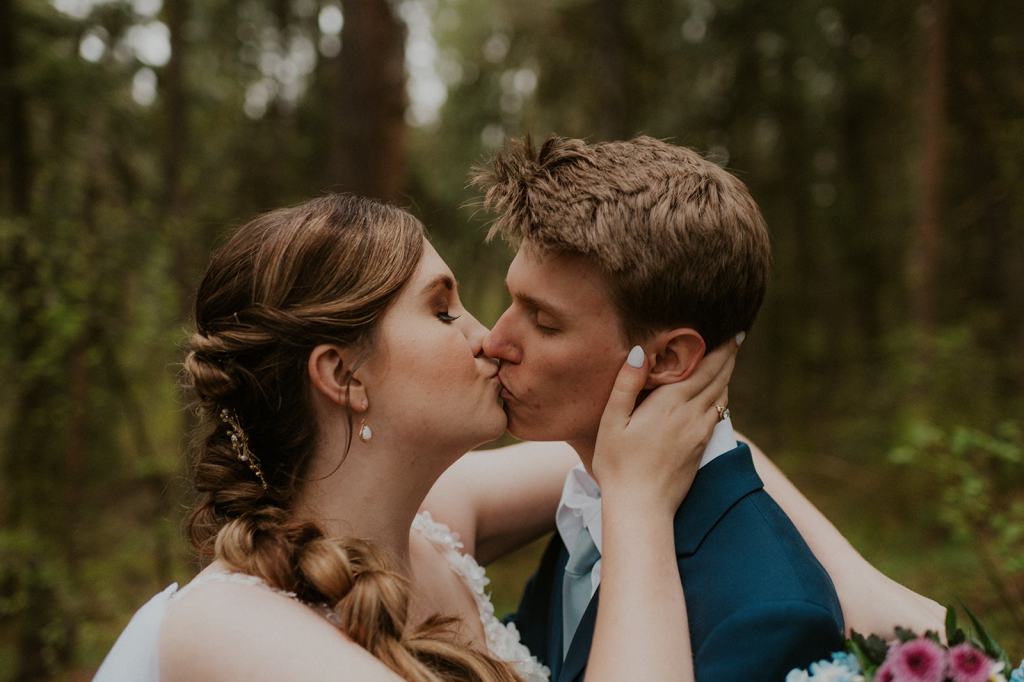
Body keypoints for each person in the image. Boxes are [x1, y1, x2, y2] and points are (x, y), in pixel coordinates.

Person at [93, 192, 731, 681]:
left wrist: (838, 636)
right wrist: (639, 509)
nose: (488, 338)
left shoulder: (437, 520)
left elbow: (674, 443)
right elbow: (644, 472)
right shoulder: (227, 628)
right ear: (344, 374)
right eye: (443, 310)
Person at [460, 135, 945, 681]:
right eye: (511, 300)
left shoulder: (768, 616)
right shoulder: (591, 504)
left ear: (667, 358)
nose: (494, 341)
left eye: (544, 322)